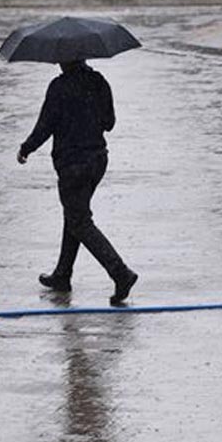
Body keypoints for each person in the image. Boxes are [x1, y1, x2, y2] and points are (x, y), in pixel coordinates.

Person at [17, 60, 138, 306]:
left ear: (64, 61)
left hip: (72, 165)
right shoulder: (99, 82)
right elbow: (109, 123)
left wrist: (26, 149)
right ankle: (63, 274)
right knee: (74, 214)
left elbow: (45, 126)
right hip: (97, 161)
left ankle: (120, 273)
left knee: (80, 221)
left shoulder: (58, 87)